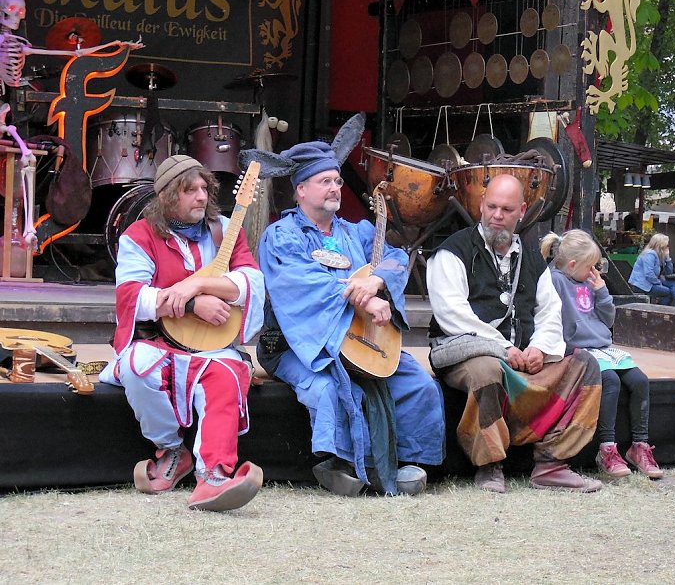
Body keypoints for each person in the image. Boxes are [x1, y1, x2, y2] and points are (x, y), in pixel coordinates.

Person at [255, 141, 445, 496]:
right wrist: (359, 300)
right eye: (324, 181)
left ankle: (406, 459)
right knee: (331, 389)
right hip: (296, 345)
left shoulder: (355, 232)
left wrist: (377, 281)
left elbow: (396, 258)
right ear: (300, 190)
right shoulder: (281, 237)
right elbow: (300, 284)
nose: (334, 188)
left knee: (418, 384)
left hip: (358, 340)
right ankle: (342, 464)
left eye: (338, 181)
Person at [99, 154, 265, 511]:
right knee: (138, 367)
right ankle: (172, 450)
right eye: (190, 190)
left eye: (205, 188)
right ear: (166, 196)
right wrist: (191, 306)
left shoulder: (224, 230)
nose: (202, 197)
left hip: (212, 345)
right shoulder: (139, 236)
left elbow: (252, 281)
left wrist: (199, 286)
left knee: (227, 376)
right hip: (156, 339)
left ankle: (214, 477)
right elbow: (131, 295)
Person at [426, 174, 603, 494]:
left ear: (521, 210)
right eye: (491, 206)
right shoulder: (451, 251)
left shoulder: (531, 258)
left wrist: (539, 348)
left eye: (506, 209)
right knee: (487, 368)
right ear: (481, 204)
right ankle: (489, 464)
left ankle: (551, 461)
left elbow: (550, 311)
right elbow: (452, 314)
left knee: (586, 365)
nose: (497, 215)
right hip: (466, 349)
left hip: (521, 355)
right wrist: (503, 348)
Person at [542, 230, 663, 479]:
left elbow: (607, 320)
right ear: (573, 265)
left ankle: (639, 446)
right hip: (578, 349)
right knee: (610, 380)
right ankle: (607, 448)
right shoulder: (555, 281)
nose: (594, 271)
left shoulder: (590, 283)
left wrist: (601, 292)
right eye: (590, 267)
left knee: (639, 381)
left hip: (602, 347)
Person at [628, 233, 675, 307]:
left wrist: (667, 258)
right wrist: (659, 283)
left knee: (673, 284)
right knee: (668, 292)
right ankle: (659, 309)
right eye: (666, 246)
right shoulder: (649, 254)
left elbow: (669, 272)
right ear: (660, 246)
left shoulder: (659, 255)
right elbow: (649, 274)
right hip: (641, 285)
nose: (667, 247)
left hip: (651, 282)